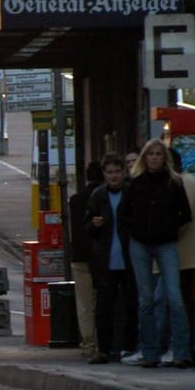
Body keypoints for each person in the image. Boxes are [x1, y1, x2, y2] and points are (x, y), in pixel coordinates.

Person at [118, 138, 192, 369]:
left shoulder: (174, 183)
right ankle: (149, 352)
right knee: (146, 300)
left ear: (165, 158)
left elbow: (185, 214)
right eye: (151, 154)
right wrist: (135, 230)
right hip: (140, 242)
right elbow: (124, 213)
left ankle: (181, 351)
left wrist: (168, 227)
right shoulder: (136, 184)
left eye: (159, 154)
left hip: (166, 242)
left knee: (174, 297)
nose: (154, 158)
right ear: (144, 158)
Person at [159, 147, 195, 364]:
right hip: (180, 251)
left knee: (178, 300)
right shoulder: (185, 181)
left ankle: (183, 348)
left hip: (181, 251)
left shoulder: (183, 182)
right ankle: (182, 348)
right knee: (179, 299)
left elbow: (181, 217)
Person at [86, 154, 136, 364]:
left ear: (123, 173)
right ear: (104, 175)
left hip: (129, 258)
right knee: (104, 307)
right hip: (105, 260)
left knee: (131, 305)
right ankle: (104, 349)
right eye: (109, 172)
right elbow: (86, 226)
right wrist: (94, 225)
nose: (114, 176)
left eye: (117, 171)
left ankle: (129, 347)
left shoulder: (131, 192)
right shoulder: (98, 195)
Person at [69, 161, 104, 362]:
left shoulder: (75, 200)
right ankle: (102, 342)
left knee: (84, 303)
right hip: (99, 255)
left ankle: (88, 344)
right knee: (101, 300)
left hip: (79, 255)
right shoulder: (103, 197)